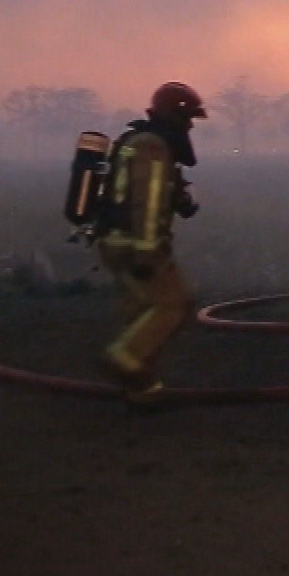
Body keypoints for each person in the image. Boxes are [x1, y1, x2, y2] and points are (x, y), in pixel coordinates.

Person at [96, 81, 207, 402]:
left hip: (115, 242)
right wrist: (147, 253)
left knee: (143, 313)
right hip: (135, 245)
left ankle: (141, 391)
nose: (189, 127)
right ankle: (124, 359)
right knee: (174, 303)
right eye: (187, 119)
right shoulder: (153, 148)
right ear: (173, 116)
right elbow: (149, 202)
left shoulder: (140, 141)